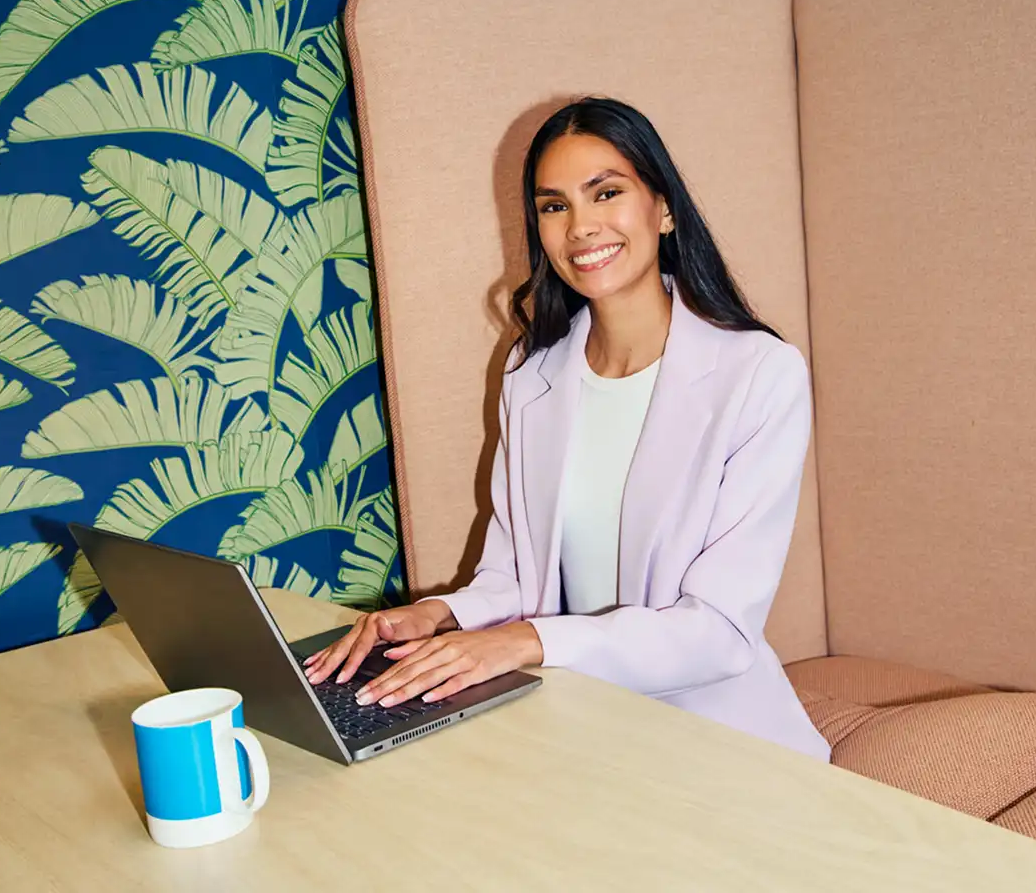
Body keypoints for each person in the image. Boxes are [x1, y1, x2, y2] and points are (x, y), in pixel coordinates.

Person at [305, 97, 830, 761]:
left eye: (605, 193)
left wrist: (527, 640)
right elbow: (513, 577)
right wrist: (443, 616)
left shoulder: (760, 375)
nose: (581, 227)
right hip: (572, 723)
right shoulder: (532, 375)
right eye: (555, 206)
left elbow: (721, 633)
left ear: (663, 208)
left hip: (714, 738)